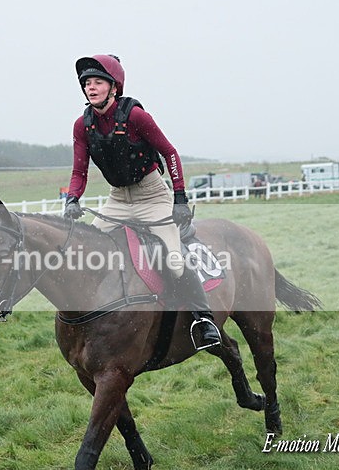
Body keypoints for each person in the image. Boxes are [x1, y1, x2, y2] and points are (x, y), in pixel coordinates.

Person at [62, 54, 220, 349]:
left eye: (97, 82)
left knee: (174, 260)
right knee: (85, 248)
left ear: (114, 87)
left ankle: (204, 320)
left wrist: (180, 198)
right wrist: (72, 199)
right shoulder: (81, 125)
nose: (90, 87)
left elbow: (170, 153)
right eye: (86, 83)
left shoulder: (136, 116)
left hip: (153, 196)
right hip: (117, 200)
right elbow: (78, 171)